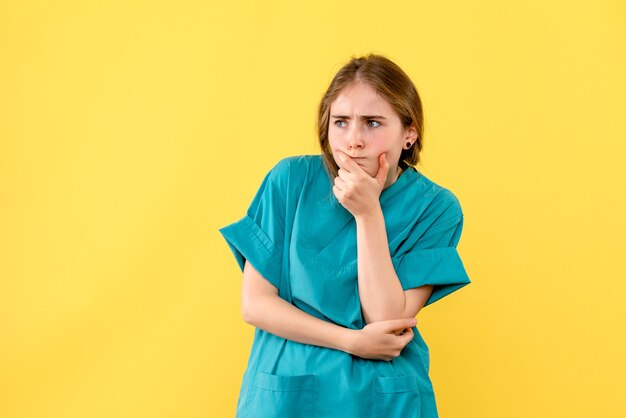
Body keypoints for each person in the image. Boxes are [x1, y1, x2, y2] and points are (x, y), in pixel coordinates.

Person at [218, 53, 471, 418]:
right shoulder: (290, 181)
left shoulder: (436, 208)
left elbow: (385, 317)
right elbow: (255, 305)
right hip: (287, 395)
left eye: (372, 123)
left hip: (384, 399)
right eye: (340, 122)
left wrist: (368, 213)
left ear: (409, 134)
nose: (353, 140)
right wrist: (352, 341)